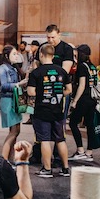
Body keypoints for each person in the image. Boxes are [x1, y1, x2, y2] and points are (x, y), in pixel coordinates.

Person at [27, 44, 71, 178]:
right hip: (58, 110)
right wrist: (58, 94)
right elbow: (69, 90)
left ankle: (47, 169)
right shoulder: (62, 71)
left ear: (41, 54)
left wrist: (42, 94)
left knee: (44, 139)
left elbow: (31, 92)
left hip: (42, 111)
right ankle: (65, 168)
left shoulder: (36, 73)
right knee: (60, 139)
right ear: (53, 55)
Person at [68, 44, 97, 162]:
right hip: (92, 99)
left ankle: (80, 150)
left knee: (73, 123)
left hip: (83, 99)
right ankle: (89, 152)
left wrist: (75, 101)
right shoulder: (92, 66)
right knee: (90, 125)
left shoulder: (81, 67)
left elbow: (82, 85)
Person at [0, 45, 25, 162]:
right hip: (8, 100)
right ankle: (4, 160)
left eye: (16, 54)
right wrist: (19, 84)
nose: (16, 56)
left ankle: (10, 159)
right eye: (14, 54)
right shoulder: (2, 69)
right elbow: (3, 86)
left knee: (15, 131)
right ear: (6, 56)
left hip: (14, 100)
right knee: (14, 131)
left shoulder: (13, 68)